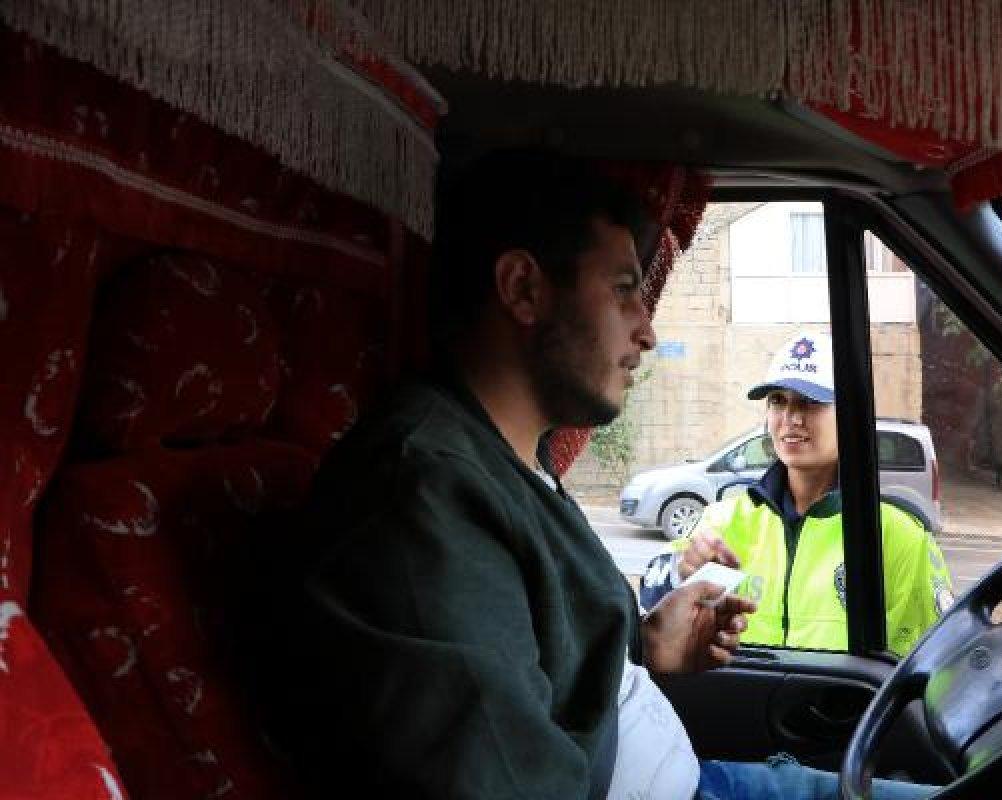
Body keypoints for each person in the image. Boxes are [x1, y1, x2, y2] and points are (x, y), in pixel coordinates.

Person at [252, 150, 933, 799]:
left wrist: (646, 642)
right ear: (523, 288)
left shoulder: (514, 461)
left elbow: (542, 651)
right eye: (623, 290)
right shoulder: (423, 494)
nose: (646, 331)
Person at [642, 332, 954, 656]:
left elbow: (937, 658)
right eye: (778, 400)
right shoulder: (725, 520)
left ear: (850, 415)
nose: (791, 418)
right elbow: (650, 607)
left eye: (810, 401)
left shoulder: (897, 537)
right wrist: (681, 571)